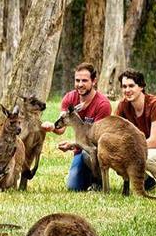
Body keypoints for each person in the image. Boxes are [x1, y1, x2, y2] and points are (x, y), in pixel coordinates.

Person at [40, 62, 112, 191]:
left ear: (94, 81)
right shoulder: (70, 98)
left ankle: (99, 183)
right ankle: (89, 177)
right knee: (74, 187)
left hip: (98, 148)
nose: (79, 84)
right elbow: (61, 128)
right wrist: (52, 127)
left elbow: (97, 141)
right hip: (81, 149)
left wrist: (72, 144)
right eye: (77, 80)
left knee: (88, 153)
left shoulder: (102, 104)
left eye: (84, 80)